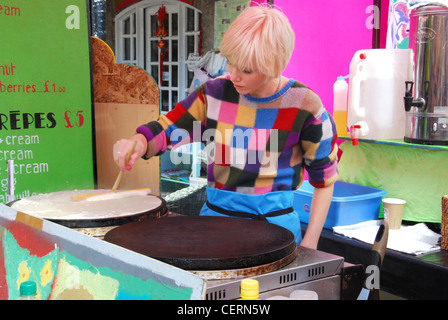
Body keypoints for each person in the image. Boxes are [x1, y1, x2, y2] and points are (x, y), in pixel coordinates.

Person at [113, 4, 338, 249]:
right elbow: (168, 130)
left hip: (277, 236)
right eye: (230, 62)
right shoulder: (214, 94)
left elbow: (324, 179)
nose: (234, 74)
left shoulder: (306, 106)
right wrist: (139, 141)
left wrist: (311, 241)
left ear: (274, 64)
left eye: (247, 70)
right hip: (214, 230)